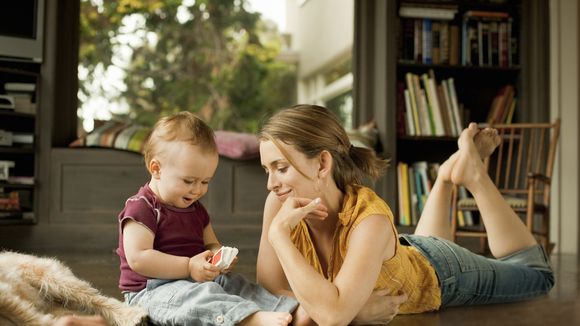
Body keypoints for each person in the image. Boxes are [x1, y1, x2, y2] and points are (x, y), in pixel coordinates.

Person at [256, 104, 555, 325]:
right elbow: (271, 291)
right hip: (403, 257)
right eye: (267, 170)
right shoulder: (279, 202)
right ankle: (445, 177)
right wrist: (355, 312)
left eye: (281, 168)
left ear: (322, 163)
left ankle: (474, 175)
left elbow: (332, 316)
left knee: (539, 276)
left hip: (444, 274)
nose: (271, 184)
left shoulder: (369, 219)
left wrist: (278, 237)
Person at [116, 111, 304, 326]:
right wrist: (188, 267)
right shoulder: (142, 207)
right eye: (189, 181)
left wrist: (218, 257)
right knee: (199, 297)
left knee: (235, 284)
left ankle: (285, 309)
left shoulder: (196, 210)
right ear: (156, 168)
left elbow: (211, 243)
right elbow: (139, 258)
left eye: (205, 182)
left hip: (196, 279)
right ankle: (248, 320)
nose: (197, 190)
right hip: (153, 292)